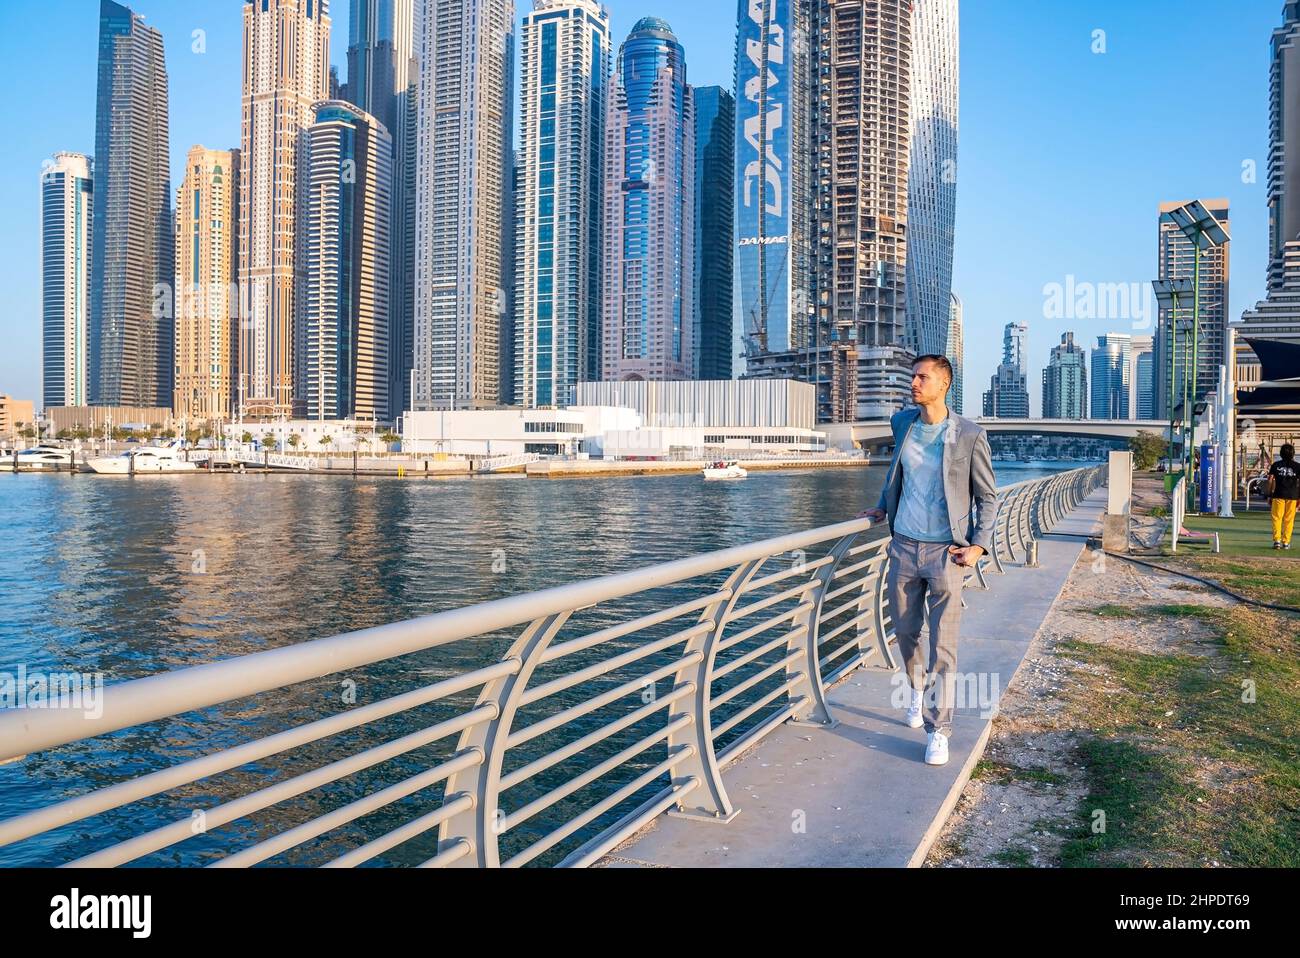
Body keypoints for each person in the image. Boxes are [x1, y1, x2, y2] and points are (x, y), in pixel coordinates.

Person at [859, 355, 998, 766]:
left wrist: (978, 545)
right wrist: (882, 507)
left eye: (923, 378)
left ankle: (940, 730)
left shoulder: (970, 434)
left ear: (944, 385)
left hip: (947, 554)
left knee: (945, 647)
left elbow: (988, 497)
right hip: (902, 545)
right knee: (904, 633)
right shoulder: (902, 423)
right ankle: (916, 691)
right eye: (913, 376)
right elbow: (897, 477)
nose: (914, 383)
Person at [1268, 444, 1299, 550]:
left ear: (1281, 453)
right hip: (1293, 495)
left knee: (1277, 518)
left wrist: (1269, 494)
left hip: (1278, 494)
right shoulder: (1297, 466)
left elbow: (1270, 479)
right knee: (1289, 519)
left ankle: (1277, 541)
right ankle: (1286, 542)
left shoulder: (1275, 465)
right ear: (1293, 453)